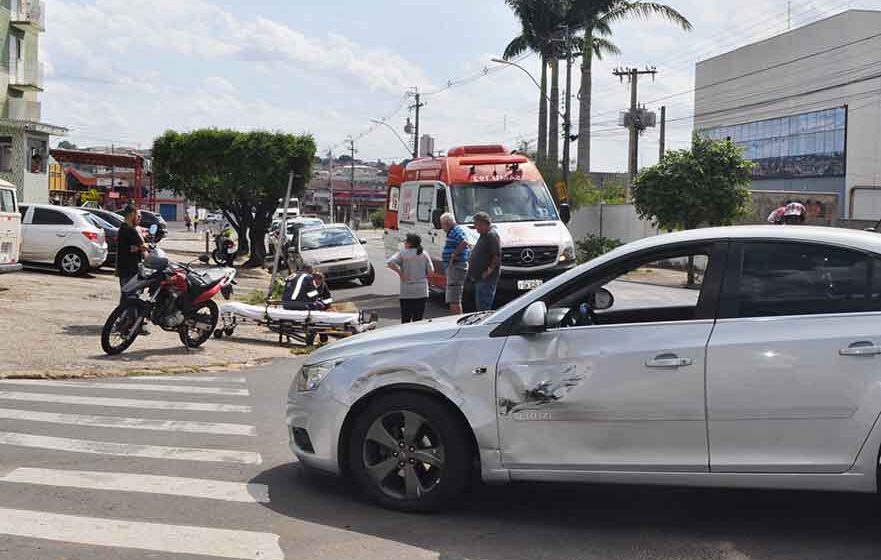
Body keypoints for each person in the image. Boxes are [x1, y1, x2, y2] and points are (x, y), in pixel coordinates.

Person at [387, 233, 433, 323]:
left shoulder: (403, 253)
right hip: (421, 290)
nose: (404, 243)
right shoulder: (424, 253)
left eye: (406, 241)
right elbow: (431, 271)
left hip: (407, 291)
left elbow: (390, 263)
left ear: (410, 243)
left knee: (406, 319)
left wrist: (401, 273)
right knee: (418, 320)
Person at [116, 205, 148, 319]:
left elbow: (139, 246)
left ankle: (122, 320)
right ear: (131, 215)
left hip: (126, 268)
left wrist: (138, 247)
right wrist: (142, 247)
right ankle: (130, 323)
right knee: (131, 297)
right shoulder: (128, 230)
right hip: (129, 269)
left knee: (127, 296)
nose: (140, 218)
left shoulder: (125, 229)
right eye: (138, 215)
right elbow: (143, 246)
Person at [467, 211, 501, 312]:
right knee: (479, 304)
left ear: (483, 223)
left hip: (486, 278)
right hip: (479, 277)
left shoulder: (491, 235)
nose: (476, 228)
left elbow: (496, 256)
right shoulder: (484, 234)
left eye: (476, 225)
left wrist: (488, 271)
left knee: (484, 306)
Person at [440, 212, 470, 315]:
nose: (442, 228)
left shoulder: (456, 230)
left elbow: (465, 242)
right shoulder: (454, 231)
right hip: (455, 266)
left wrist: (454, 254)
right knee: (453, 297)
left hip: (456, 266)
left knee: (454, 298)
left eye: (442, 225)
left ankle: (455, 320)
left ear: (447, 223)